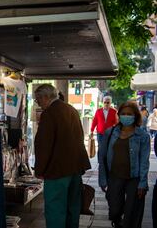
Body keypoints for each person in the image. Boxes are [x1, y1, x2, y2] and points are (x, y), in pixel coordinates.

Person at [34, 84, 91, 228]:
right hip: (75, 168)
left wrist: (40, 170)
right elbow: (79, 137)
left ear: (46, 97)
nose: (37, 102)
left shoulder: (49, 114)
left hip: (57, 170)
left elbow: (44, 146)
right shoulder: (71, 109)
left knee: (56, 210)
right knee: (73, 208)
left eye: (38, 99)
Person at [98, 102, 150, 228]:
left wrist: (143, 183)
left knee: (132, 214)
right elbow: (102, 157)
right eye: (123, 114)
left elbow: (144, 161)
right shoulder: (110, 133)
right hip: (115, 176)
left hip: (134, 178)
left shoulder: (142, 135)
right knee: (114, 210)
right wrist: (103, 179)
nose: (126, 116)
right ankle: (117, 222)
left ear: (135, 116)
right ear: (119, 115)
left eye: (129, 114)